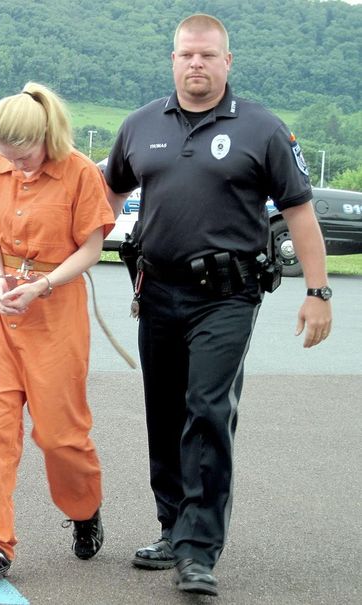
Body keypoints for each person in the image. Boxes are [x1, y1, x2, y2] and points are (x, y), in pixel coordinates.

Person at [105, 14, 332, 597]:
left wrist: (317, 292)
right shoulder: (138, 126)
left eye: (207, 55)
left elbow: (300, 212)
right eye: (186, 55)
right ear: (173, 59)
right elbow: (105, 197)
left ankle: (198, 550)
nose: (196, 64)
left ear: (227, 61)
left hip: (227, 296)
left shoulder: (262, 129)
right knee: (164, 410)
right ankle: (172, 526)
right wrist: (53, 260)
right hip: (155, 291)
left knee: (206, 408)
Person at [0, 82, 115, 587]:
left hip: (56, 309)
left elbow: (91, 248)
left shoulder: (80, 173)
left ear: (46, 135)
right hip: (3, 310)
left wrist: (42, 284)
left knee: (59, 436)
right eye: (6, 155)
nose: (16, 164)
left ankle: (84, 508)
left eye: (23, 154)